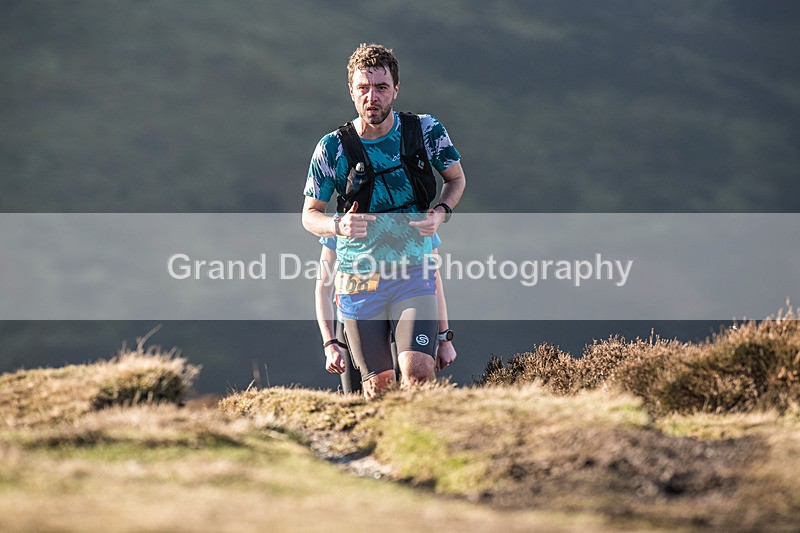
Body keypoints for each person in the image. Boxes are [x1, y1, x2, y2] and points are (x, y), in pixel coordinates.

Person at [302, 43, 466, 400]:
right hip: (359, 283)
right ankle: (387, 449)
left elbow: (456, 179)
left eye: (380, 87)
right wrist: (338, 226)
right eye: (363, 88)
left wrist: (441, 212)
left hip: (412, 274)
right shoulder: (332, 148)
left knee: (418, 371)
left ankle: (420, 450)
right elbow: (309, 215)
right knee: (379, 388)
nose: (371, 96)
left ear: (395, 89)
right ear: (351, 91)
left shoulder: (424, 131)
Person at [314, 235, 458, 393]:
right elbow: (323, 290)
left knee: (415, 376)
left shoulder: (413, 215)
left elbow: (434, 280)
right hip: (355, 320)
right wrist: (329, 344)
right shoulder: (343, 222)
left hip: (401, 314)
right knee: (367, 393)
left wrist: (444, 338)